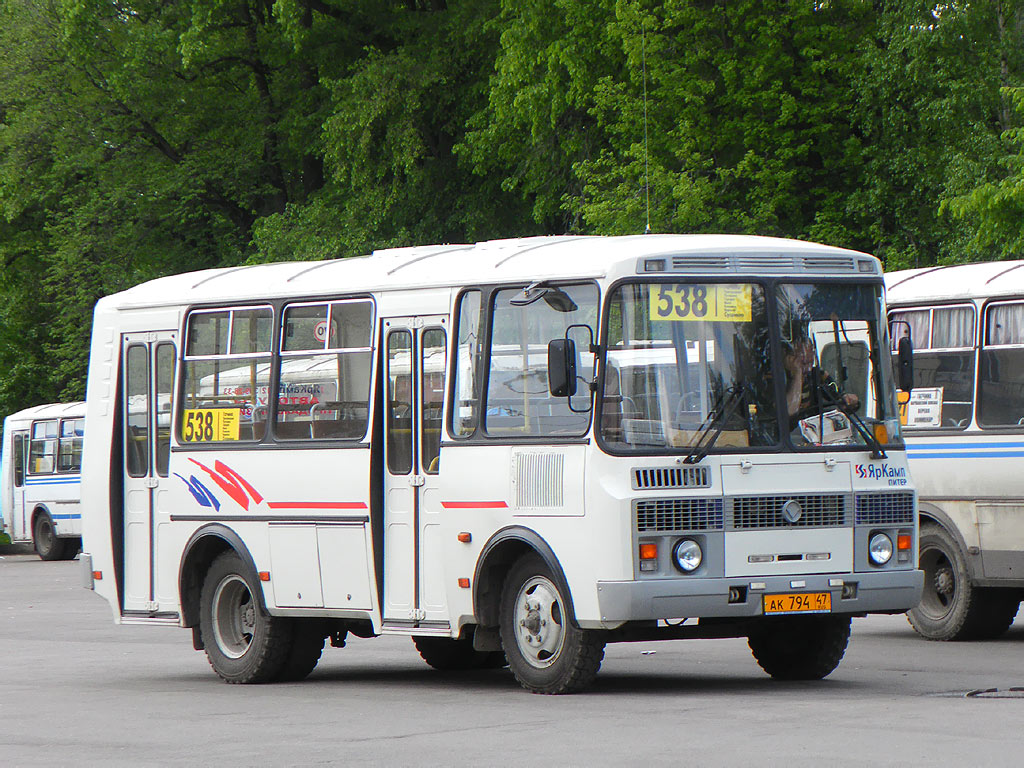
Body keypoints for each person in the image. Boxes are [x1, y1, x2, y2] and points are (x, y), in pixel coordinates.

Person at [783, 332, 858, 425]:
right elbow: (789, 411)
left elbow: (836, 394)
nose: (808, 368)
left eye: (810, 362)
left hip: (814, 432)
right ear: (788, 358)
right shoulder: (776, 380)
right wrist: (797, 374)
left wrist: (848, 399)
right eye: (803, 363)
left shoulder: (817, 375)